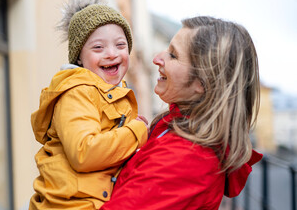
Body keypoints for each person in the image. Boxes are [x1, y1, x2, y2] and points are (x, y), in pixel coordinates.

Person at [101, 16, 263, 210]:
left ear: (202, 83)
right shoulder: (177, 130)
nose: (157, 58)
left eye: (173, 55)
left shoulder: (186, 158)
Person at [29, 0, 148, 210]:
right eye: (98, 48)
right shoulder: (77, 92)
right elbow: (84, 153)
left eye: (120, 45)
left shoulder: (114, 92)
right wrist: (136, 132)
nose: (111, 54)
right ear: (79, 59)